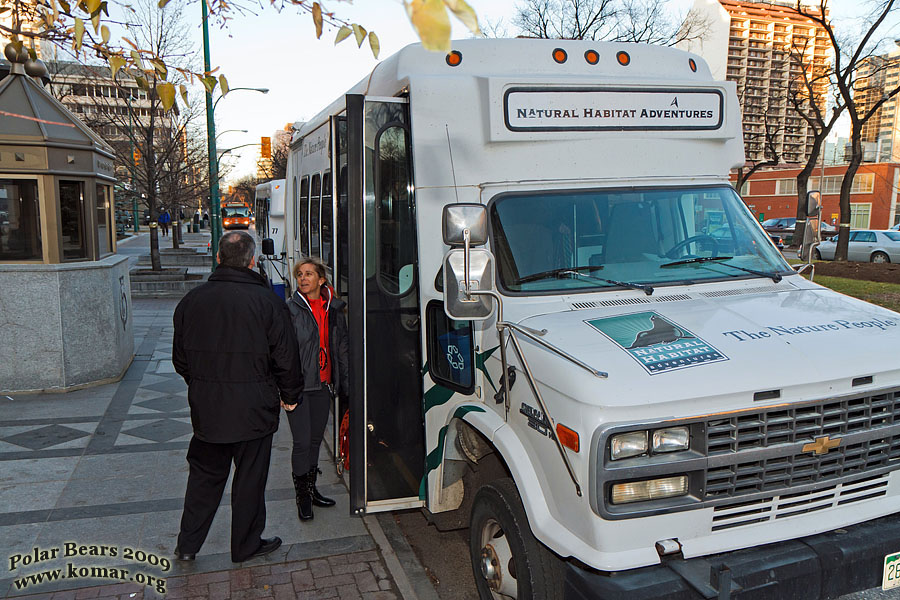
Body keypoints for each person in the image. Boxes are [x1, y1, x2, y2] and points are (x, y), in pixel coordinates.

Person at [172, 230, 304, 562]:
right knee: (249, 480)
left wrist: (202, 383)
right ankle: (245, 545)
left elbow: (180, 359)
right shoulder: (268, 303)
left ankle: (188, 546)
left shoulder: (192, 301)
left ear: (218, 258)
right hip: (254, 410)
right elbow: (286, 357)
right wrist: (290, 395)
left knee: (203, 478)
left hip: (208, 410)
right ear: (250, 261)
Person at [286, 257, 349, 521]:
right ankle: (302, 497)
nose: (303, 278)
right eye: (300, 274)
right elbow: (281, 352)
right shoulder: (289, 310)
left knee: (314, 441)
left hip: (323, 385)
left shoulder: (333, 308)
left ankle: (312, 491)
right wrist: (285, 389)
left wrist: (346, 384)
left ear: (321, 280)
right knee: (301, 443)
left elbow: (342, 348)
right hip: (299, 388)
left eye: (309, 274)